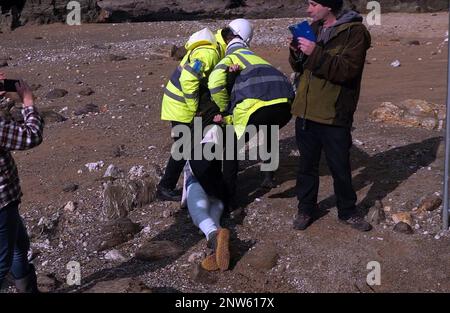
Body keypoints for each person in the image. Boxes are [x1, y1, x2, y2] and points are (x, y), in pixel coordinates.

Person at [289, 0, 372, 231]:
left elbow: (346, 71)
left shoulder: (355, 33)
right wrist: (296, 53)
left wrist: (315, 52)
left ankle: (348, 211)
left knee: (340, 167)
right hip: (306, 111)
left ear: (329, 5)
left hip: (334, 113)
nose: (308, 9)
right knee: (306, 166)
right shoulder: (313, 28)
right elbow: (300, 69)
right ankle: (305, 209)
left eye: (314, 4)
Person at [208, 19, 294, 211]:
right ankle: (268, 177)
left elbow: (214, 83)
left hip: (256, 107)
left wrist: (224, 109)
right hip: (285, 106)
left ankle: (230, 199)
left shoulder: (232, 57)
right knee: (269, 130)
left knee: (230, 149)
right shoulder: (257, 58)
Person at [157, 27, 227, 202]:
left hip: (178, 103)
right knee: (184, 146)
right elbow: (188, 78)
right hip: (181, 106)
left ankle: (173, 184)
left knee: (187, 145)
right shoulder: (209, 54)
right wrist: (195, 107)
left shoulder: (212, 48)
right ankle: (165, 187)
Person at [0, 73, 44, 292]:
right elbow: (32, 136)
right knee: (2, 263)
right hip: (1, 202)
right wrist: (27, 102)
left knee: (19, 246)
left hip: (7, 200)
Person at [181, 125, 230, 271]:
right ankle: (218, 250)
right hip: (218, 195)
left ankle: (214, 238)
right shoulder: (223, 151)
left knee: (200, 216)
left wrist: (184, 203)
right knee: (214, 220)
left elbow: (189, 177)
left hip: (197, 184)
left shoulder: (196, 149)